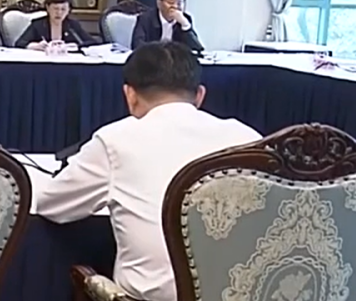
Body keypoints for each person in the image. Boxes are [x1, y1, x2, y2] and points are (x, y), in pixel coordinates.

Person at [37, 42, 261, 301]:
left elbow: (50, 205)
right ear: (200, 95)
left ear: (130, 95)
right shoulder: (249, 138)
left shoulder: (116, 139)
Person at [130, 0, 205, 51]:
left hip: (176, 61)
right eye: (171, 2)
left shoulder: (185, 19)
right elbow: (137, 45)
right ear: (159, 4)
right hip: (152, 59)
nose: (175, 6)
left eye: (179, 3)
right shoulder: (145, 18)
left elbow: (196, 48)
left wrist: (185, 25)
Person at [15, 0, 95, 49]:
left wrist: (75, 45)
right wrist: (36, 46)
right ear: (48, 8)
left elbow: (92, 42)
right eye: (55, 9)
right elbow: (19, 43)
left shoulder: (73, 25)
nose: (59, 13)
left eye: (63, 9)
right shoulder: (38, 24)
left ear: (69, 10)